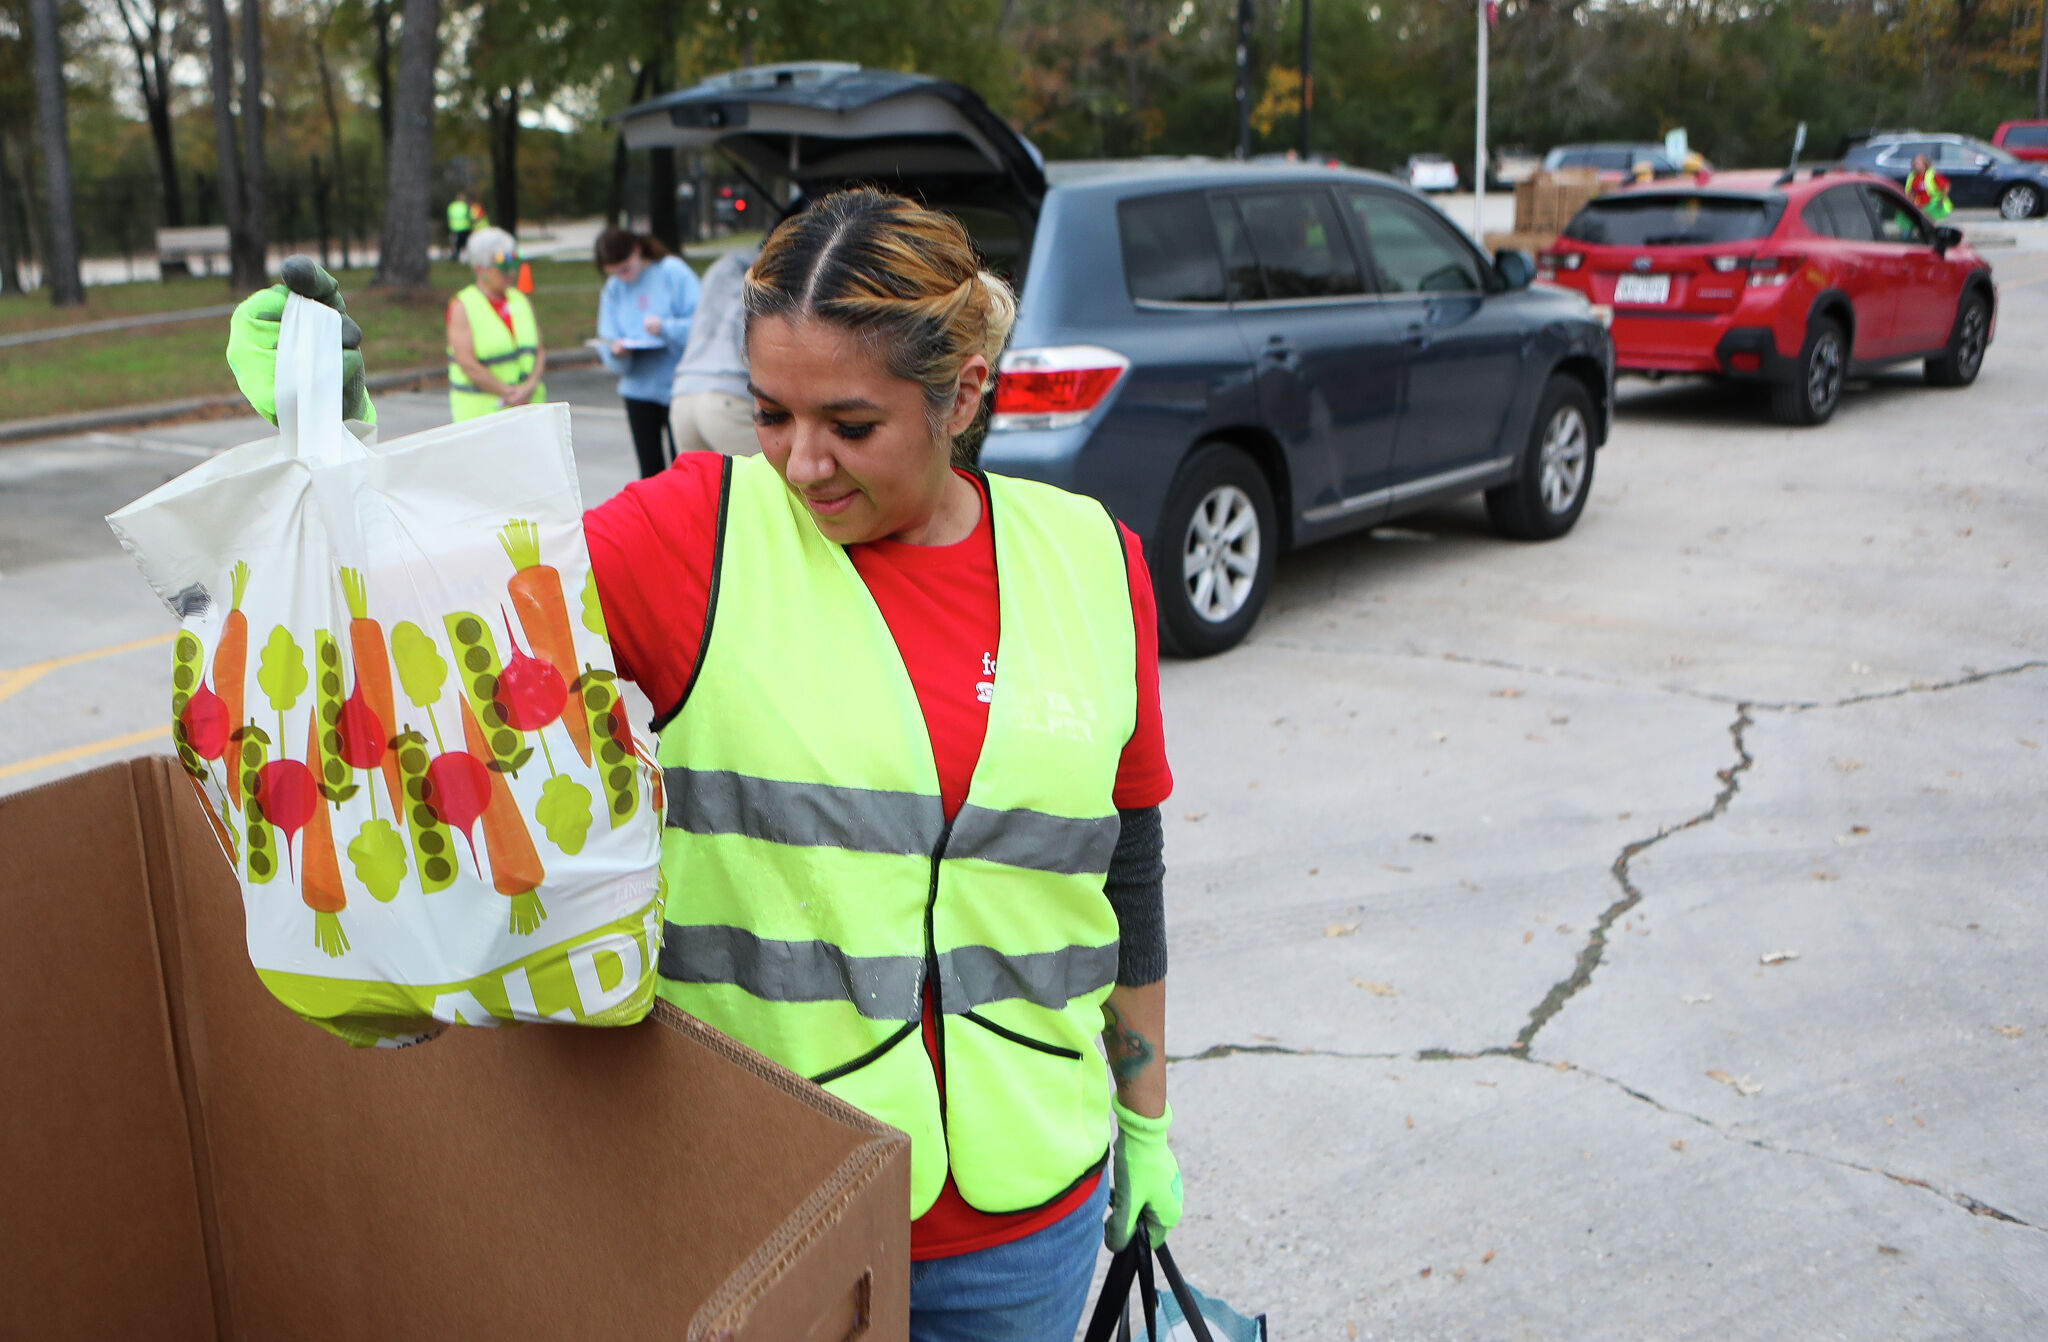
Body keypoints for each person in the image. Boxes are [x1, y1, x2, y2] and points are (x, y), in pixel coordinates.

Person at [226, 188, 1185, 1342]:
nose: (801, 462)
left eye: (849, 423)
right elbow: (435, 648)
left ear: (961, 392)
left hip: (1032, 1209)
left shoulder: (1092, 564)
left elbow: (1126, 865)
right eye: (771, 413)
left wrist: (1143, 1120)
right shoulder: (696, 536)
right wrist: (343, 461)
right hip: (777, 1200)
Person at [593, 227, 702, 477]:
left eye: (626, 269)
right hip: (638, 391)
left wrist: (666, 328)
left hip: (678, 387)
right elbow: (606, 339)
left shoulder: (671, 271)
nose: (622, 277)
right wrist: (617, 353)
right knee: (650, 471)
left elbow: (702, 326)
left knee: (684, 468)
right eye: (614, 273)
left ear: (637, 251)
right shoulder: (613, 288)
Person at [667, 239, 760, 457]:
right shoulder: (768, 275)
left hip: (684, 394)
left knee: (702, 489)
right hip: (728, 393)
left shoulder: (719, 270)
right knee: (768, 485)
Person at [445, 226, 545, 422]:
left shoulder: (520, 301)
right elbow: (467, 363)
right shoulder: (462, 306)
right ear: (479, 269)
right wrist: (507, 392)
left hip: (528, 410)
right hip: (483, 416)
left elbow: (538, 350)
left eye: (514, 262)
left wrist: (529, 386)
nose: (511, 272)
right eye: (503, 266)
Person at [1908, 154, 1954, 221]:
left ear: (1924, 164)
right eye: (1914, 164)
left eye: (1918, 164)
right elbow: (1911, 191)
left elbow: (1946, 186)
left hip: (1934, 206)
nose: (1915, 166)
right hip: (1921, 207)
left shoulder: (1931, 175)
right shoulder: (1912, 177)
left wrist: (1942, 200)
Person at [446, 195, 473, 262]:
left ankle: (456, 257)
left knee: (456, 244)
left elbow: (449, 216)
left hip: (454, 227)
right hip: (465, 227)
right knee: (466, 243)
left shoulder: (452, 206)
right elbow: (469, 216)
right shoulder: (465, 205)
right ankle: (466, 258)